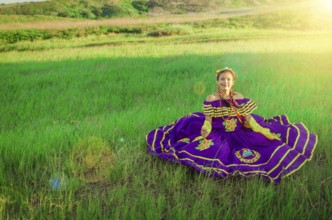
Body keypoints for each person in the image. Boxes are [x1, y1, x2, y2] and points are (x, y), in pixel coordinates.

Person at [146, 67, 317, 183]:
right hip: (219, 132)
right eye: (222, 79)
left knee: (267, 141)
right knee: (213, 150)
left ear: (232, 82)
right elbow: (208, 120)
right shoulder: (211, 99)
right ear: (217, 81)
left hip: (241, 130)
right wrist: (206, 129)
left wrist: (260, 128)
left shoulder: (239, 96)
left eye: (228, 79)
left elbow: (248, 117)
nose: (225, 82)